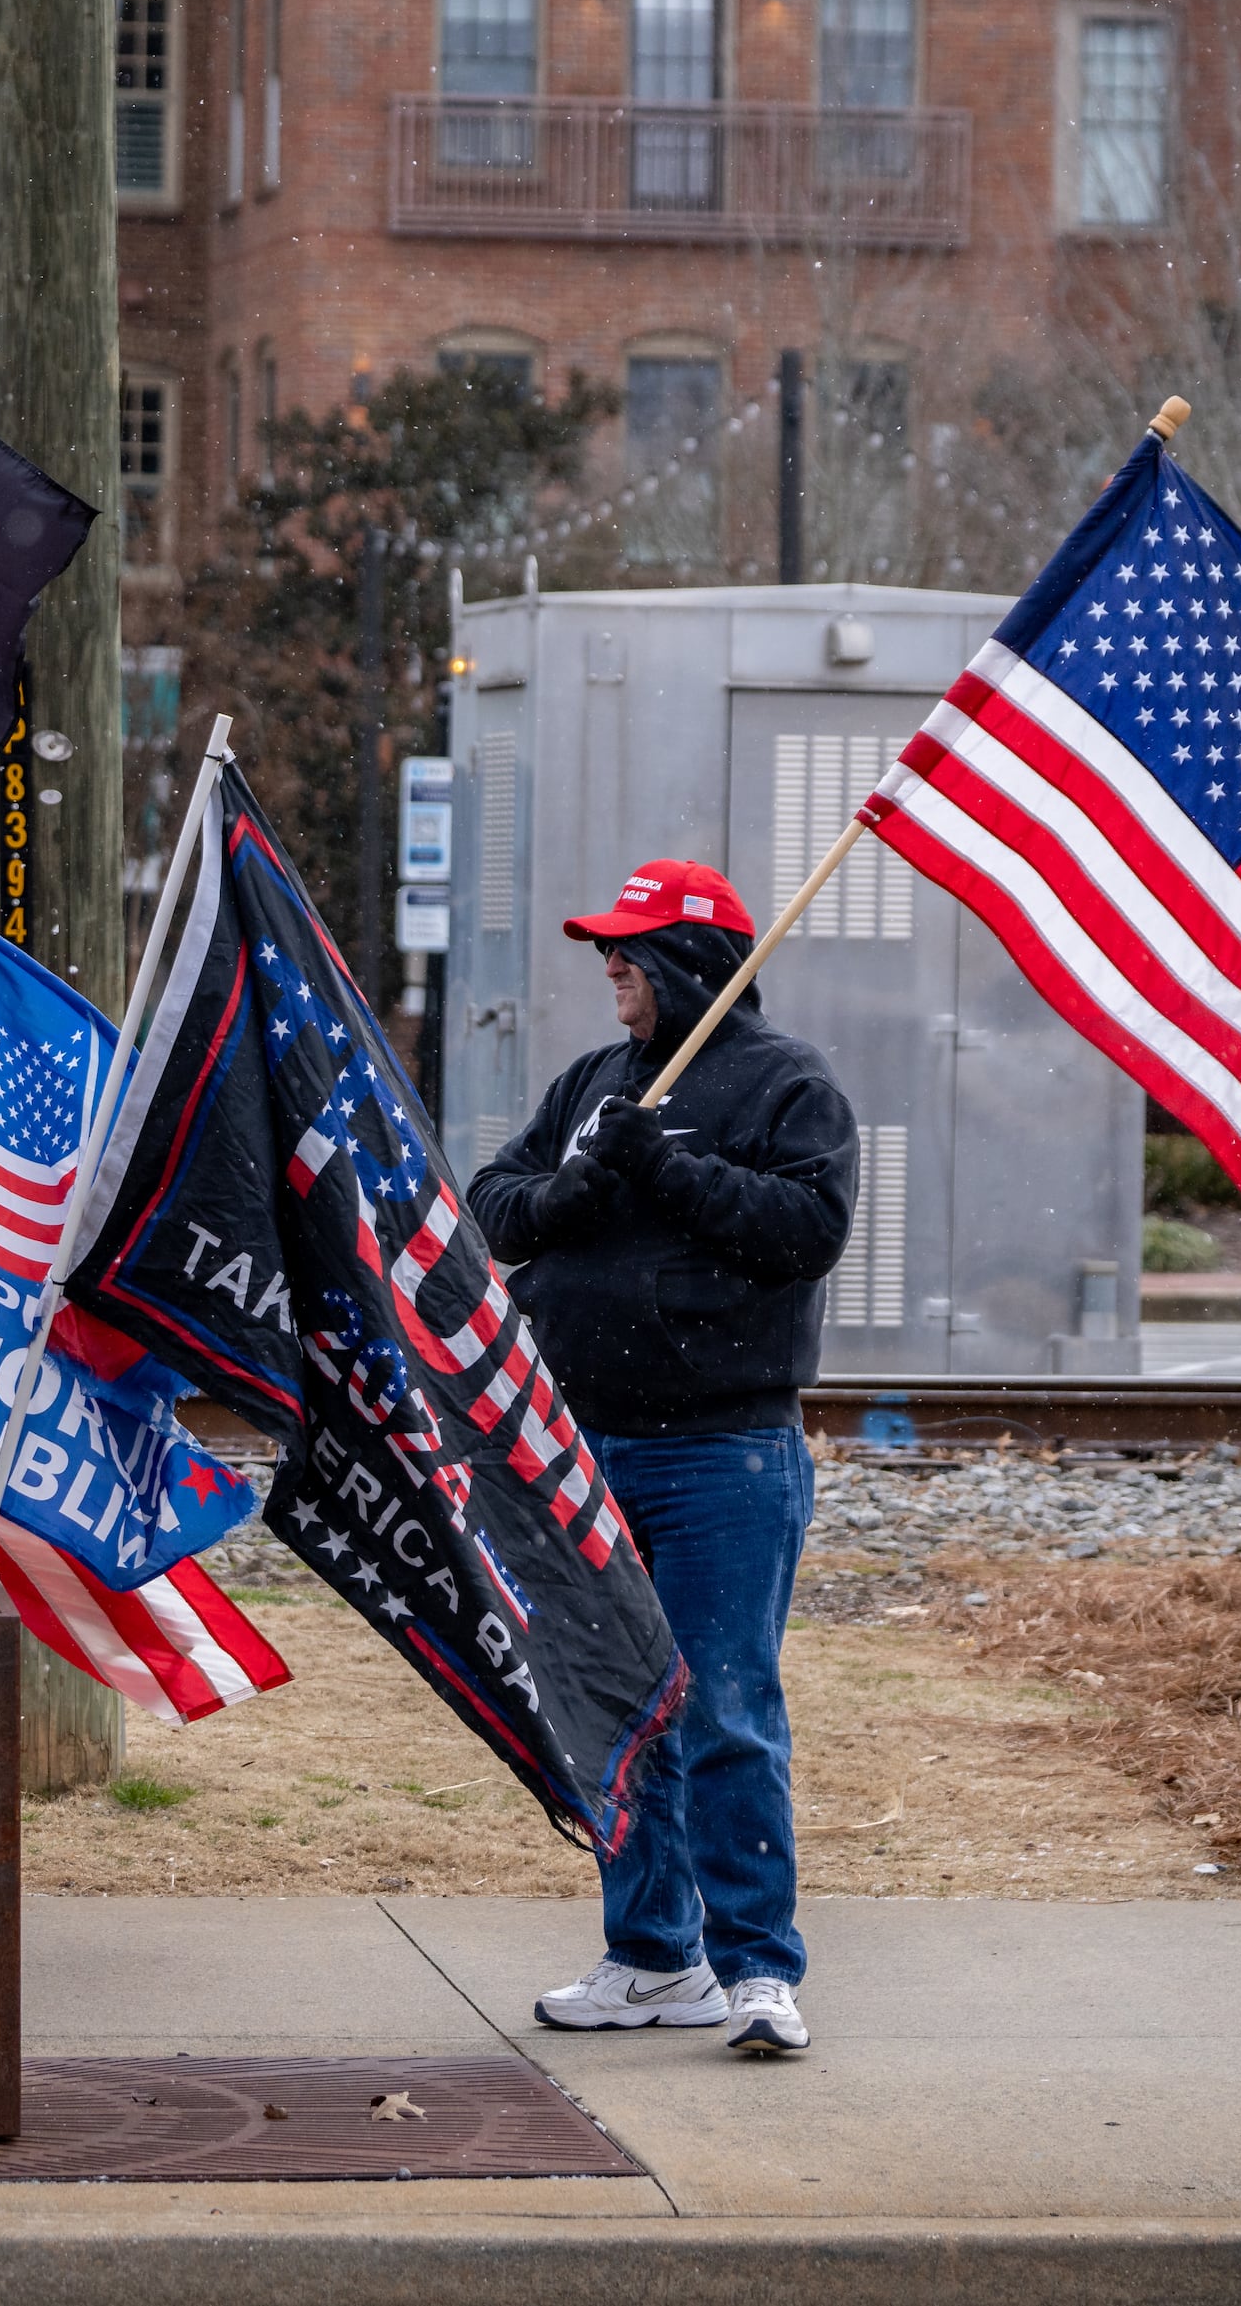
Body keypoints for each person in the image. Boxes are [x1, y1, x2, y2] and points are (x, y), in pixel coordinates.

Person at [468, 859, 854, 2060]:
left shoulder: (787, 1085)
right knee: (617, 1713)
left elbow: (808, 1231)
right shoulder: (594, 1082)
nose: (609, 965)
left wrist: (664, 1170)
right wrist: (563, 1196)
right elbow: (491, 1199)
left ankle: (758, 1971)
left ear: (695, 963)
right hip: (580, 1447)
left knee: (726, 1708)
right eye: (605, 946)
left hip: (722, 1457)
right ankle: (650, 1959)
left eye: (628, 948)